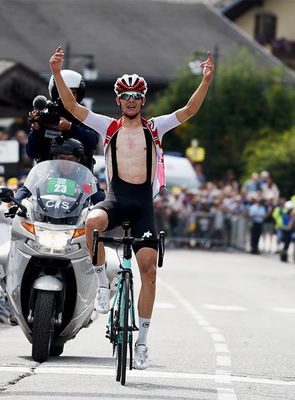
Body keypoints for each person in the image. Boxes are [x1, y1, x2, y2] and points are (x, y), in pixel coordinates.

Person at [49, 45, 215, 369]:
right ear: (118, 101)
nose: (131, 100)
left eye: (136, 96)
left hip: (142, 207)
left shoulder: (155, 128)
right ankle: (101, 285)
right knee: (91, 223)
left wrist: (206, 80)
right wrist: (56, 72)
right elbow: (70, 105)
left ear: (142, 101)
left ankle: (141, 343)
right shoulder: (107, 126)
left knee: (149, 272)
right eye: (125, 96)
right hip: (115, 199)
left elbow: (189, 110)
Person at [27, 70, 100, 171]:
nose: (69, 97)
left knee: (99, 188)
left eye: (74, 93)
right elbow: (32, 153)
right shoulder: (46, 113)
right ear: (56, 92)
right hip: (48, 177)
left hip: (80, 176)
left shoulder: (84, 114)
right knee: (23, 188)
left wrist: (70, 127)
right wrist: (36, 130)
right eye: (65, 92)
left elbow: (93, 141)